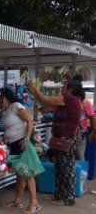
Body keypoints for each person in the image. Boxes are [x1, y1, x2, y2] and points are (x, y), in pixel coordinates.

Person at [27, 78, 83, 206]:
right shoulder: (67, 100)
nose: (61, 88)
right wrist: (32, 90)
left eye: (64, 86)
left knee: (66, 168)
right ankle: (59, 195)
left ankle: (68, 197)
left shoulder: (68, 99)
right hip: (61, 138)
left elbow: (45, 100)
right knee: (60, 167)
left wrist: (34, 88)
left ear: (70, 90)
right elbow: (44, 103)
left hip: (66, 139)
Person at [0, 88, 41, 214]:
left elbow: (29, 121)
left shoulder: (16, 106)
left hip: (22, 143)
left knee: (27, 173)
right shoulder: (7, 109)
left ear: (5, 98)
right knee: (20, 174)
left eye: (0, 98)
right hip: (14, 144)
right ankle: (18, 200)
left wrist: (27, 139)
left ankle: (34, 203)